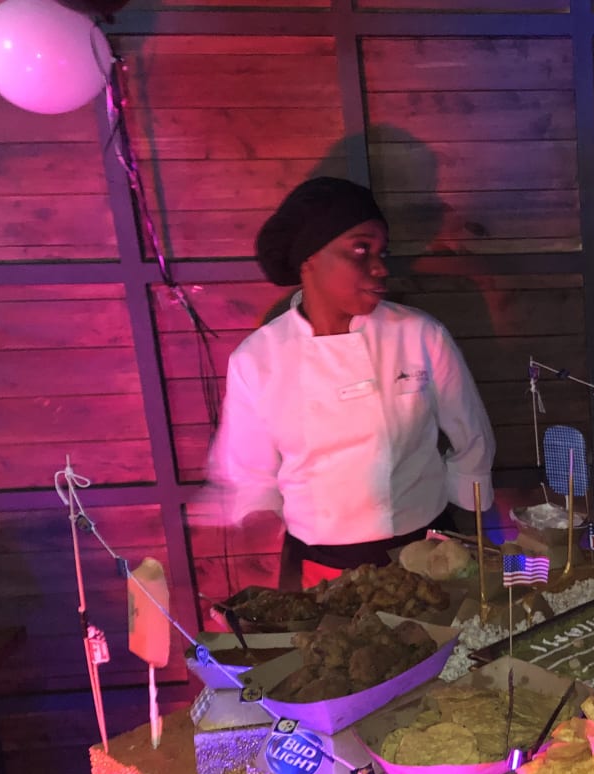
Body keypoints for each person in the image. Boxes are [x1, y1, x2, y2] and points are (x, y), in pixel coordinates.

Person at [208, 176, 495, 589]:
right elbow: (250, 474)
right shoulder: (257, 360)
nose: (380, 267)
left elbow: (472, 435)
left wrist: (472, 511)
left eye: (382, 252)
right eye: (361, 250)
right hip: (324, 568)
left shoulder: (419, 334)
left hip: (427, 554)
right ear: (309, 258)